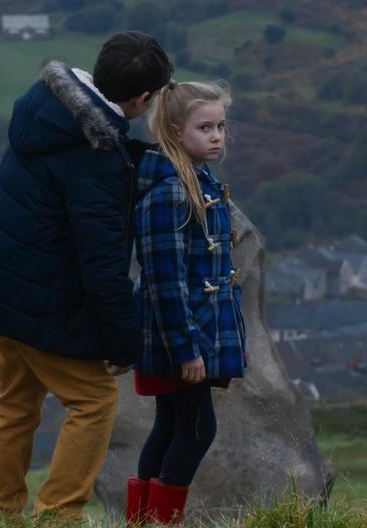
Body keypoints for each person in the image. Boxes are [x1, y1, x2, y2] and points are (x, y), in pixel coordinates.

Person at [0, 32, 173, 520]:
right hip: (39, 304)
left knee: (15, 404)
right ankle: (58, 514)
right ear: (140, 99)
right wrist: (123, 341)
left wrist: (131, 159)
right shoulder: (93, 160)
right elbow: (102, 263)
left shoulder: (50, 113)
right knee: (93, 402)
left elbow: (71, 174)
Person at [125, 79, 246, 525]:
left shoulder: (196, 178)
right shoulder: (171, 189)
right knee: (197, 429)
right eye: (205, 127)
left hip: (184, 331)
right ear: (175, 131)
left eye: (221, 126)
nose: (217, 136)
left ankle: (141, 523)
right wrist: (187, 348)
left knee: (172, 425)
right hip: (178, 334)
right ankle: (159, 524)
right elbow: (163, 277)